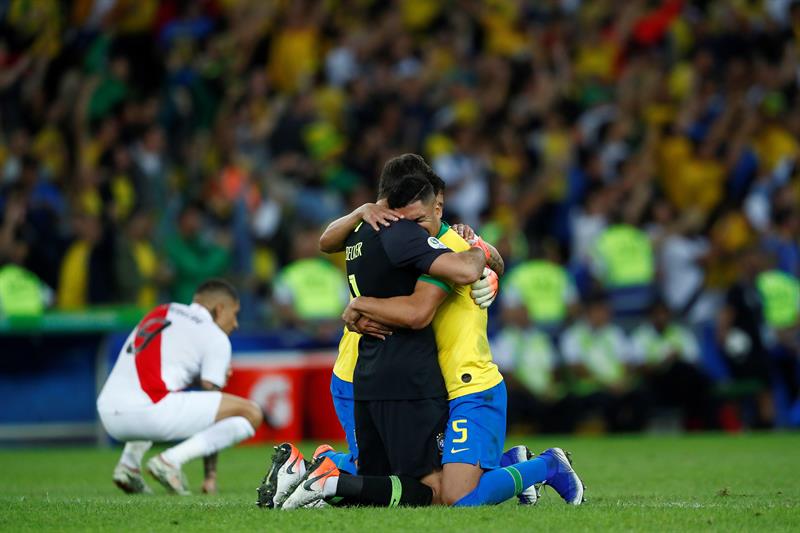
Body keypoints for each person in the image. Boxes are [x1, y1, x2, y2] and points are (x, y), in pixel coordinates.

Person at [96, 279, 262, 495]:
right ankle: (170, 461)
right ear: (220, 309)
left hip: (108, 414)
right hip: (146, 414)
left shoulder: (163, 310)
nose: (236, 323)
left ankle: (129, 465)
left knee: (156, 390)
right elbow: (214, 409)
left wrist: (196, 378)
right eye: (235, 313)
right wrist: (210, 476)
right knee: (252, 413)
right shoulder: (216, 337)